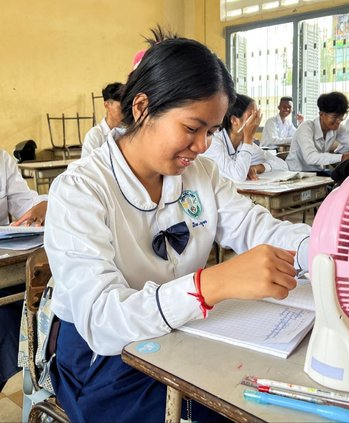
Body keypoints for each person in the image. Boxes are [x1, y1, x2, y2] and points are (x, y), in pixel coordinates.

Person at [44, 29, 312, 423]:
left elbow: (259, 227)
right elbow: (101, 319)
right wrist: (209, 287)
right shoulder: (80, 189)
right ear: (141, 107)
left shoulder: (201, 174)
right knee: (223, 412)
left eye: (212, 131)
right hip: (100, 359)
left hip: (182, 335)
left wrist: (333, 250)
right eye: (192, 128)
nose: (203, 145)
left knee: (268, 394)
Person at [0, 148, 48, 390]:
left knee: (41, 298)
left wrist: (43, 205)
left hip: (5, 268)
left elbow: (27, 204)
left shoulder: (1, 159)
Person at [202, 93, 288, 181]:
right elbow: (237, 176)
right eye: (252, 116)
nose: (256, 121)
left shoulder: (244, 144)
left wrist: (259, 167)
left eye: (257, 116)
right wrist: (248, 139)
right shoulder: (214, 142)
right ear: (234, 120)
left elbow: (283, 165)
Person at [285, 91, 349, 175]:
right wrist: (344, 156)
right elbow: (310, 158)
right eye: (335, 117)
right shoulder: (306, 127)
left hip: (316, 173)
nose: (338, 121)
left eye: (341, 117)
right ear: (322, 114)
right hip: (296, 174)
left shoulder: (337, 128)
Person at [81, 82, 124, 158]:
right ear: (106, 105)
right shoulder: (94, 136)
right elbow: (88, 167)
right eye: (120, 107)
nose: (125, 111)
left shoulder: (128, 131)